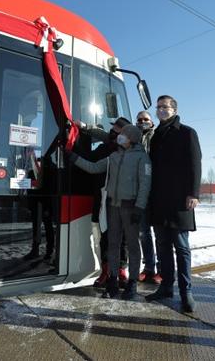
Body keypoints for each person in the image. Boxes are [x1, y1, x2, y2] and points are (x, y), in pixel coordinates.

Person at [68, 124, 151, 300]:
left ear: (132, 138)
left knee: (133, 246)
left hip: (131, 207)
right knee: (113, 245)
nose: (120, 137)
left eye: (124, 135)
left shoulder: (142, 158)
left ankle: (132, 283)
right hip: (113, 206)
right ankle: (112, 281)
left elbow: (145, 185)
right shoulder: (112, 157)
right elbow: (93, 167)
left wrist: (140, 207)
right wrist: (73, 157)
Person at [145, 95, 201, 313]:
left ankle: (186, 291)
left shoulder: (187, 132)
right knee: (162, 245)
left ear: (174, 109)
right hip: (158, 198)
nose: (160, 110)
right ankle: (166, 286)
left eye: (165, 107)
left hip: (180, 199)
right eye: (158, 107)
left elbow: (195, 163)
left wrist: (193, 192)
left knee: (181, 246)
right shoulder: (155, 135)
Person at [75, 117, 131, 287]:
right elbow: (91, 161)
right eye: (113, 127)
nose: (113, 129)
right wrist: (73, 153)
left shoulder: (130, 149)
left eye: (117, 127)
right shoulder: (105, 146)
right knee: (104, 237)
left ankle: (121, 270)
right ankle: (106, 270)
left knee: (123, 239)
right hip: (102, 198)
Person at [135, 110, 161, 284]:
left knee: (160, 233)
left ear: (151, 122)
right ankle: (149, 267)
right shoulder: (133, 137)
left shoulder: (158, 135)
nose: (143, 121)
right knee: (143, 233)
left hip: (157, 191)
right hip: (141, 191)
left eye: (146, 119)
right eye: (140, 119)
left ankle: (163, 268)